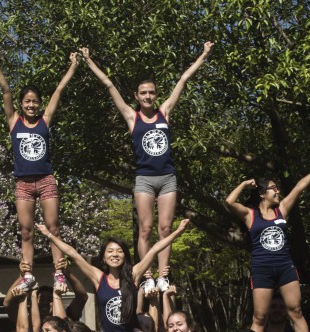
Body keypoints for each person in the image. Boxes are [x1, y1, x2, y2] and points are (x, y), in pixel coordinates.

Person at [0, 222, 242, 332]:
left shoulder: (132, 275)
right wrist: (48, 235)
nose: (115, 254)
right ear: (104, 257)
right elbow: (74, 254)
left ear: (124, 255)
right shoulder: (98, 277)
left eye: (119, 251)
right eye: (110, 251)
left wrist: (177, 231)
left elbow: (155, 248)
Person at [79, 44, 212, 294]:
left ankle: (163, 275)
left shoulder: (164, 113)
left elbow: (183, 79)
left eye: (151, 92)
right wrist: (89, 61)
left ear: (156, 94)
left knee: (165, 228)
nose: (148, 96)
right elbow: (109, 85)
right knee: (145, 229)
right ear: (137, 96)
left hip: (168, 178)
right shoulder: (132, 117)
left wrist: (203, 55)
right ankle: (147, 275)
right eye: (143, 93)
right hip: (145, 179)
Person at [224, 152, 310, 332]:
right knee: (260, 318)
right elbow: (229, 201)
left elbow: (299, 187)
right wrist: (244, 183)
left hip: (285, 267)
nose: (277, 190)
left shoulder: (282, 210)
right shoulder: (251, 215)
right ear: (262, 194)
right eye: (273, 188)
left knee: (296, 311)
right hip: (262, 270)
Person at [0, 50, 80, 291]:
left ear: (39, 104)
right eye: (27, 101)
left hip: (46, 180)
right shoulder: (14, 122)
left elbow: (59, 91)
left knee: (53, 228)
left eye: (35, 101)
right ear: (21, 104)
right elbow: (6, 92)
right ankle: (27, 275)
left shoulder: (44, 121)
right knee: (26, 231)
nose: (31, 104)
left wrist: (72, 66)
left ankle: (59, 273)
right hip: (24, 184)